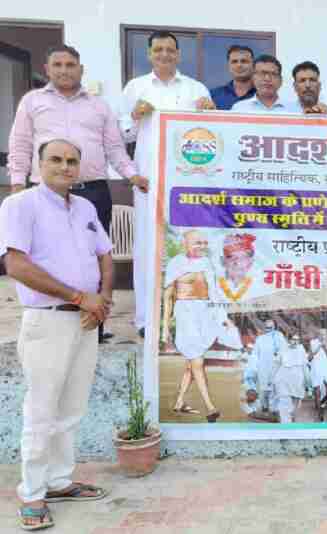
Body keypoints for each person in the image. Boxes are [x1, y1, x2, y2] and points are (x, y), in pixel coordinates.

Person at [1, 139, 113, 531]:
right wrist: (80, 297)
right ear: (38, 164)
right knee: (42, 410)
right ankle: (32, 492)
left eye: (72, 161)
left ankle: (59, 482)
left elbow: (105, 253)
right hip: (48, 320)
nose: (65, 167)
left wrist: (103, 301)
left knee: (72, 408)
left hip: (85, 321)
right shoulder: (19, 205)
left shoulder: (84, 207)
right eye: (56, 160)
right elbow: (15, 264)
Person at [7, 45, 145, 344]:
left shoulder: (99, 106)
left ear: (81, 69)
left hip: (93, 191)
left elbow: (115, 149)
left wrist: (133, 176)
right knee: (48, 259)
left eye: (71, 64)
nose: (64, 70)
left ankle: (95, 325)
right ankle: (52, 325)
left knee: (95, 259)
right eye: (58, 64)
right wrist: (18, 186)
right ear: (47, 68)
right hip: (44, 193)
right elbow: (19, 145)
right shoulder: (32, 102)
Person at [119, 30, 214, 338]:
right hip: (150, 182)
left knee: (189, 248)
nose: (164, 54)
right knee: (148, 250)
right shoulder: (137, 87)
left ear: (178, 54)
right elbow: (123, 135)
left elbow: (209, 134)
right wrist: (135, 115)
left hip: (189, 184)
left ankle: (189, 317)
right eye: (158, 49)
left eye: (169, 49)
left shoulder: (195, 88)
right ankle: (147, 320)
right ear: (149, 54)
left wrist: (209, 113)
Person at [162, 230, 224, 422]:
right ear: (185, 243)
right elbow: (168, 298)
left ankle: (179, 401)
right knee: (198, 362)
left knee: (191, 363)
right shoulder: (176, 264)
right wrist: (165, 327)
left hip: (203, 315)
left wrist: (221, 316)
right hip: (185, 314)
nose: (201, 247)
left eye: (204, 243)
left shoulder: (206, 263)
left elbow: (213, 292)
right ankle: (210, 407)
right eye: (197, 243)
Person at [244, 319, 287, 419]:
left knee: (275, 389)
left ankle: (274, 411)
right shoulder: (260, 339)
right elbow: (255, 355)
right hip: (262, 369)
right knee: (263, 390)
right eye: (267, 328)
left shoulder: (280, 337)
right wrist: (253, 369)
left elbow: (284, 351)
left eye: (270, 327)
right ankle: (265, 408)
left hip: (276, 368)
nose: (268, 330)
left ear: (274, 327)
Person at [273, 334, 308, 423]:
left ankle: (292, 416)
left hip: (297, 378)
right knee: (284, 400)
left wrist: (307, 380)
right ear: (289, 340)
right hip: (284, 376)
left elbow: (304, 365)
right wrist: (273, 378)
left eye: (297, 340)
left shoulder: (301, 350)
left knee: (296, 400)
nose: (295, 342)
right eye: (293, 339)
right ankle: (285, 422)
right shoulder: (283, 349)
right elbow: (277, 364)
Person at [210, 45, 256, 110]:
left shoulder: (263, 95)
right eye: (234, 62)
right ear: (229, 66)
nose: (239, 65)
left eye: (244, 61)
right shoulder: (214, 95)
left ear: (253, 65)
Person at [307, 337, 327, 421]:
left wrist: (326, 347)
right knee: (317, 391)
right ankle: (320, 413)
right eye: (321, 334)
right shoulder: (312, 342)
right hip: (316, 368)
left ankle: (322, 403)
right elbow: (309, 357)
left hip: (326, 368)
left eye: (324, 334)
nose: (323, 335)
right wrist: (319, 347)